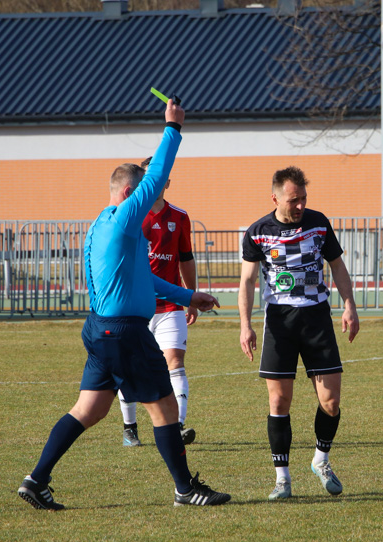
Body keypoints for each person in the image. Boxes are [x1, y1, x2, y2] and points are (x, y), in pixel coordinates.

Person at [17, 99, 230, 510]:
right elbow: (158, 176)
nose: (152, 199)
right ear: (130, 194)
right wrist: (173, 127)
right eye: (144, 195)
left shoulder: (98, 225)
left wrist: (189, 296)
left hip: (99, 329)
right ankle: (186, 489)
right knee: (165, 407)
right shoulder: (125, 217)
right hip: (124, 331)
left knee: (88, 409)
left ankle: (36, 478)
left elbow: (141, 279)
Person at [238, 166, 359, 501]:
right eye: (294, 200)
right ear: (275, 197)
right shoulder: (258, 232)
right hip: (279, 321)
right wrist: (245, 324)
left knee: (331, 401)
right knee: (279, 400)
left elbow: (337, 266)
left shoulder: (319, 223)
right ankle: (282, 478)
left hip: (317, 317)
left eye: (304, 198)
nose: (300, 205)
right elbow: (247, 282)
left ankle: (321, 460)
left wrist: (349, 305)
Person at [118, 155, 198, 448]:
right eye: (151, 174)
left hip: (170, 306)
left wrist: (191, 296)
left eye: (162, 174)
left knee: (174, 361)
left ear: (167, 181)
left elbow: (186, 259)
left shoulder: (180, 217)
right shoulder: (129, 215)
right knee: (129, 366)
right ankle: (130, 427)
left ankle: (177, 426)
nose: (157, 179)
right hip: (133, 307)